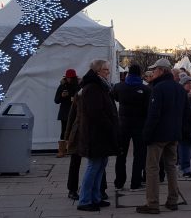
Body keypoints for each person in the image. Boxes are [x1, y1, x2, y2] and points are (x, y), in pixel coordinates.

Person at [137, 58, 188, 214]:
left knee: (152, 168)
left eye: (155, 70)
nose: (153, 72)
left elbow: (153, 114)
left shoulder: (158, 88)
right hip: (173, 134)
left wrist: (146, 134)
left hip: (158, 135)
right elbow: (186, 113)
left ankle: (152, 203)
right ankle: (172, 200)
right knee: (171, 167)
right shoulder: (179, 88)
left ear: (161, 70)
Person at [76, 60, 119, 212]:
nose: (108, 72)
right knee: (94, 166)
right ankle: (85, 200)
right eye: (106, 70)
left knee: (100, 166)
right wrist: (110, 126)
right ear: (98, 71)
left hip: (100, 134)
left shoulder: (99, 86)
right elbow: (96, 113)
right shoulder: (93, 87)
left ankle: (95, 197)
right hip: (95, 134)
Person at [65, 80, 108, 202]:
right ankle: (72, 189)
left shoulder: (99, 95)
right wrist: (67, 136)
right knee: (76, 161)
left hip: (92, 132)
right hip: (78, 132)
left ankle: (101, 189)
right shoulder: (78, 97)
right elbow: (71, 116)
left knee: (97, 161)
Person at [112, 64, 151, 191]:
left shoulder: (119, 87)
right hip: (140, 125)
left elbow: (114, 97)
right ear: (140, 74)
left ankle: (119, 182)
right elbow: (148, 107)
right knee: (139, 154)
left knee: (121, 154)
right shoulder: (145, 89)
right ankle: (135, 182)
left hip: (123, 124)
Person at [54, 68, 79, 158]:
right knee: (64, 131)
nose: (69, 80)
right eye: (68, 78)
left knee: (76, 130)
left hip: (76, 112)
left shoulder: (78, 86)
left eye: (71, 78)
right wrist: (62, 96)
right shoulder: (62, 86)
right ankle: (62, 150)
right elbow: (56, 100)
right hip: (65, 112)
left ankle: (74, 149)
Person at [178, 75, 191, 178]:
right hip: (183, 125)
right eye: (187, 83)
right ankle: (185, 168)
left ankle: (188, 166)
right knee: (184, 147)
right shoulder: (181, 95)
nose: (190, 85)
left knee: (190, 147)